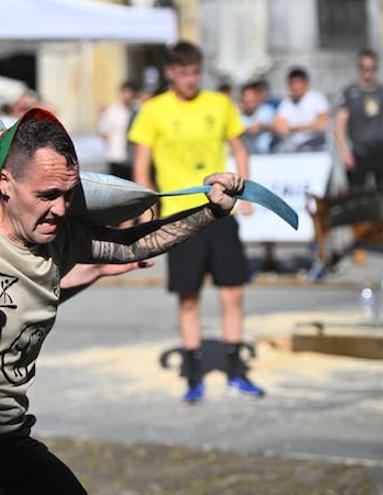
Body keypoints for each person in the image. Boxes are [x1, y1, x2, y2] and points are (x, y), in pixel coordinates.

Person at [0, 102, 244, 493]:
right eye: (46, 195)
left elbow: (131, 245)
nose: (59, 209)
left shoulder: (57, 237)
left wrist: (209, 212)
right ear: (4, 182)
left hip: (5, 438)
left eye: (66, 194)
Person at [129, 41, 263, 403]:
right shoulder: (153, 110)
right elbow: (142, 165)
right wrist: (146, 209)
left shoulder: (218, 104)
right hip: (179, 217)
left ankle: (236, 370)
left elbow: (239, 149)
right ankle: (193, 373)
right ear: (171, 72)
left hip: (219, 210)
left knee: (233, 290)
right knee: (189, 296)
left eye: (195, 73)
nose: (190, 80)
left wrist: (245, 192)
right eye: (183, 73)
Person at [335, 49, 383, 190]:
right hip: (359, 152)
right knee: (356, 195)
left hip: (382, 149)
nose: (368, 72)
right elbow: (340, 126)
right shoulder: (350, 93)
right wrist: (344, 152)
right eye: (364, 68)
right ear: (359, 68)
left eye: (371, 68)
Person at [273, 67, 329, 152]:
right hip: (295, 149)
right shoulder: (286, 103)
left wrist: (294, 128)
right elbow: (279, 126)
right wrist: (310, 126)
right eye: (293, 83)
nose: (296, 86)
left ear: (306, 83)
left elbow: (322, 124)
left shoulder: (317, 98)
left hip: (317, 148)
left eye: (299, 82)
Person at [97, 81, 139, 180]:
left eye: (130, 93)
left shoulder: (138, 110)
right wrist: (111, 145)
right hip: (116, 156)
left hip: (132, 158)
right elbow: (103, 131)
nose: (127, 96)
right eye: (125, 92)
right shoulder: (112, 111)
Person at [239, 81, 277, 155]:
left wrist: (263, 126)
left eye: (251, 99)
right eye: (246, 99)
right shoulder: (237, 115)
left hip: (268, 154)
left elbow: (278, 127)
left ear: (258, 98)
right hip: (246, 154)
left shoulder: (267, 111)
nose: (249, 102)